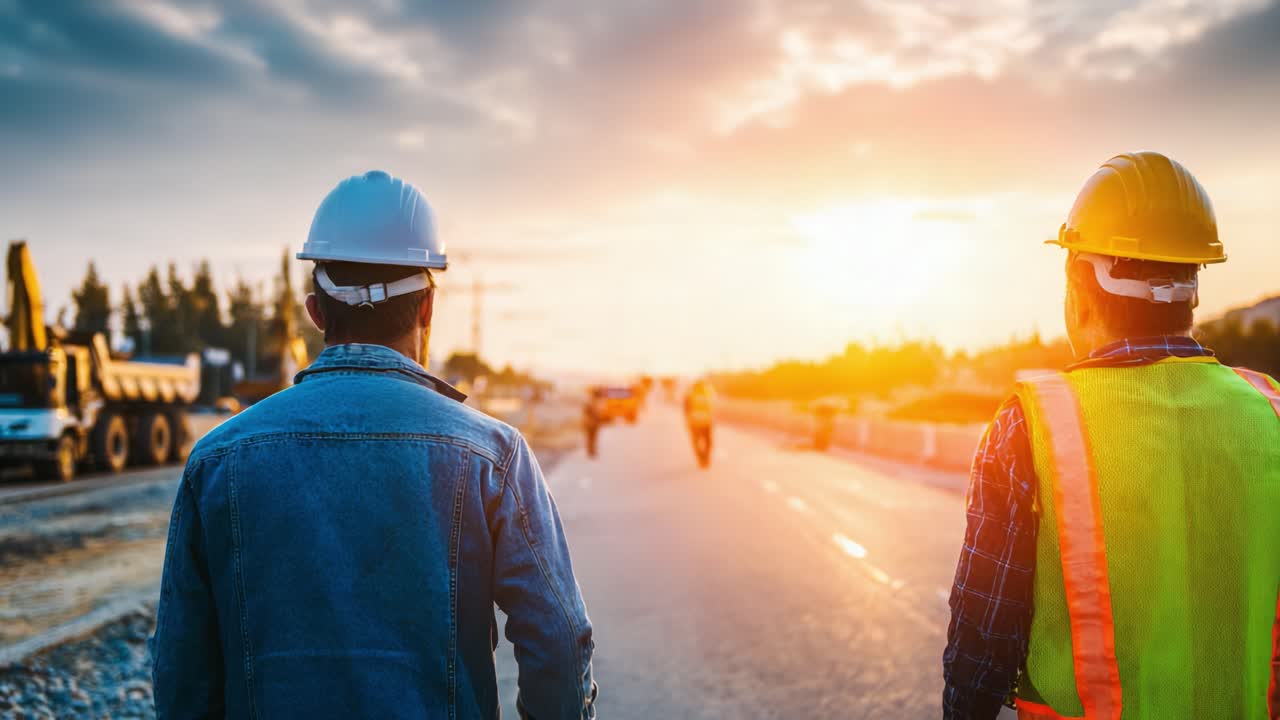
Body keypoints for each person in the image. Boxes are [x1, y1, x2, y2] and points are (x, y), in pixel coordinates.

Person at [151, 171, 597, 720]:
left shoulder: (217, 460)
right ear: (427, 310)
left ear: (316, 312)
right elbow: (558, 639)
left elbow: (181, 671)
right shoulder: (493, 456)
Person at [943, 152, 1280, 719]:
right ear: (1193, 289)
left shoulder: (1032, 424)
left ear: (1078, 282)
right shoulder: (1270, 412)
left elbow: (984, 634)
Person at [683, 380, 715, 468]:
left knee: (696, 442)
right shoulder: (708, 394)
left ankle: (702, 458)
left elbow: (686, 410)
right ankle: (705, 458)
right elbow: (712, 408)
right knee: (708, 442)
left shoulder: (690, 395)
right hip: (706, 422)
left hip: (695, 422)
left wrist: (687, 422)